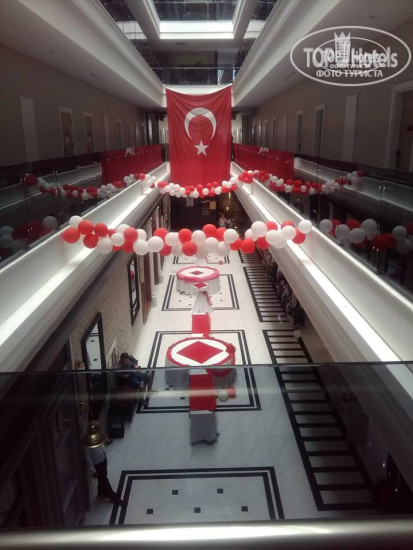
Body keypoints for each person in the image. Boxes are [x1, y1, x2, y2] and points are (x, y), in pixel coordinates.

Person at [84, 424, 123, 506]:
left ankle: (101, 491)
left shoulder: (98, 436)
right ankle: (114, 497)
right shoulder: (87, 441)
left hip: (103, 460)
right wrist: (93, 470)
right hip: (97, 463)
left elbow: (102, 444)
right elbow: (87, 457)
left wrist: (106, 442)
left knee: (103, 477)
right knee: (104, 479)